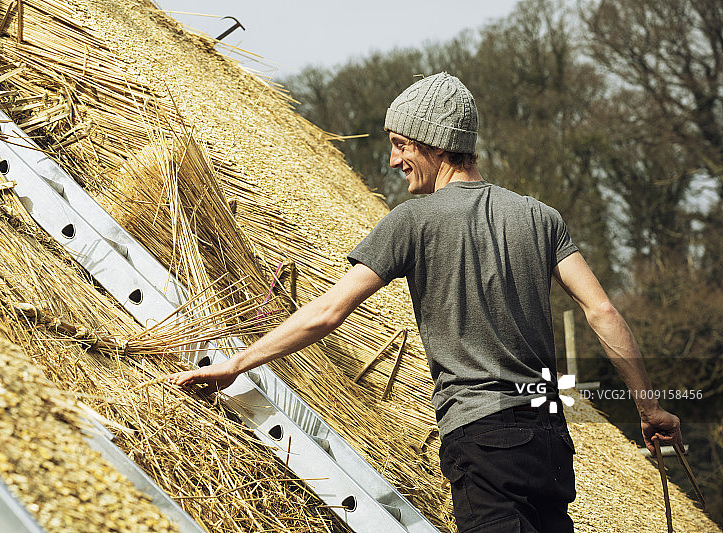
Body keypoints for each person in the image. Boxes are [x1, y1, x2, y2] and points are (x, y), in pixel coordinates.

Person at [169, 72, 682, 532]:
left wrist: (238, 362)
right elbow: (604, 313)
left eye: (400, 145)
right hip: (548, 438)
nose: (393, 160)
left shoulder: (411, 222)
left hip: (482, 438)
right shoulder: (539, 217)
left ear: (435, 146)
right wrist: (649, 407)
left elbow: (328, 311)